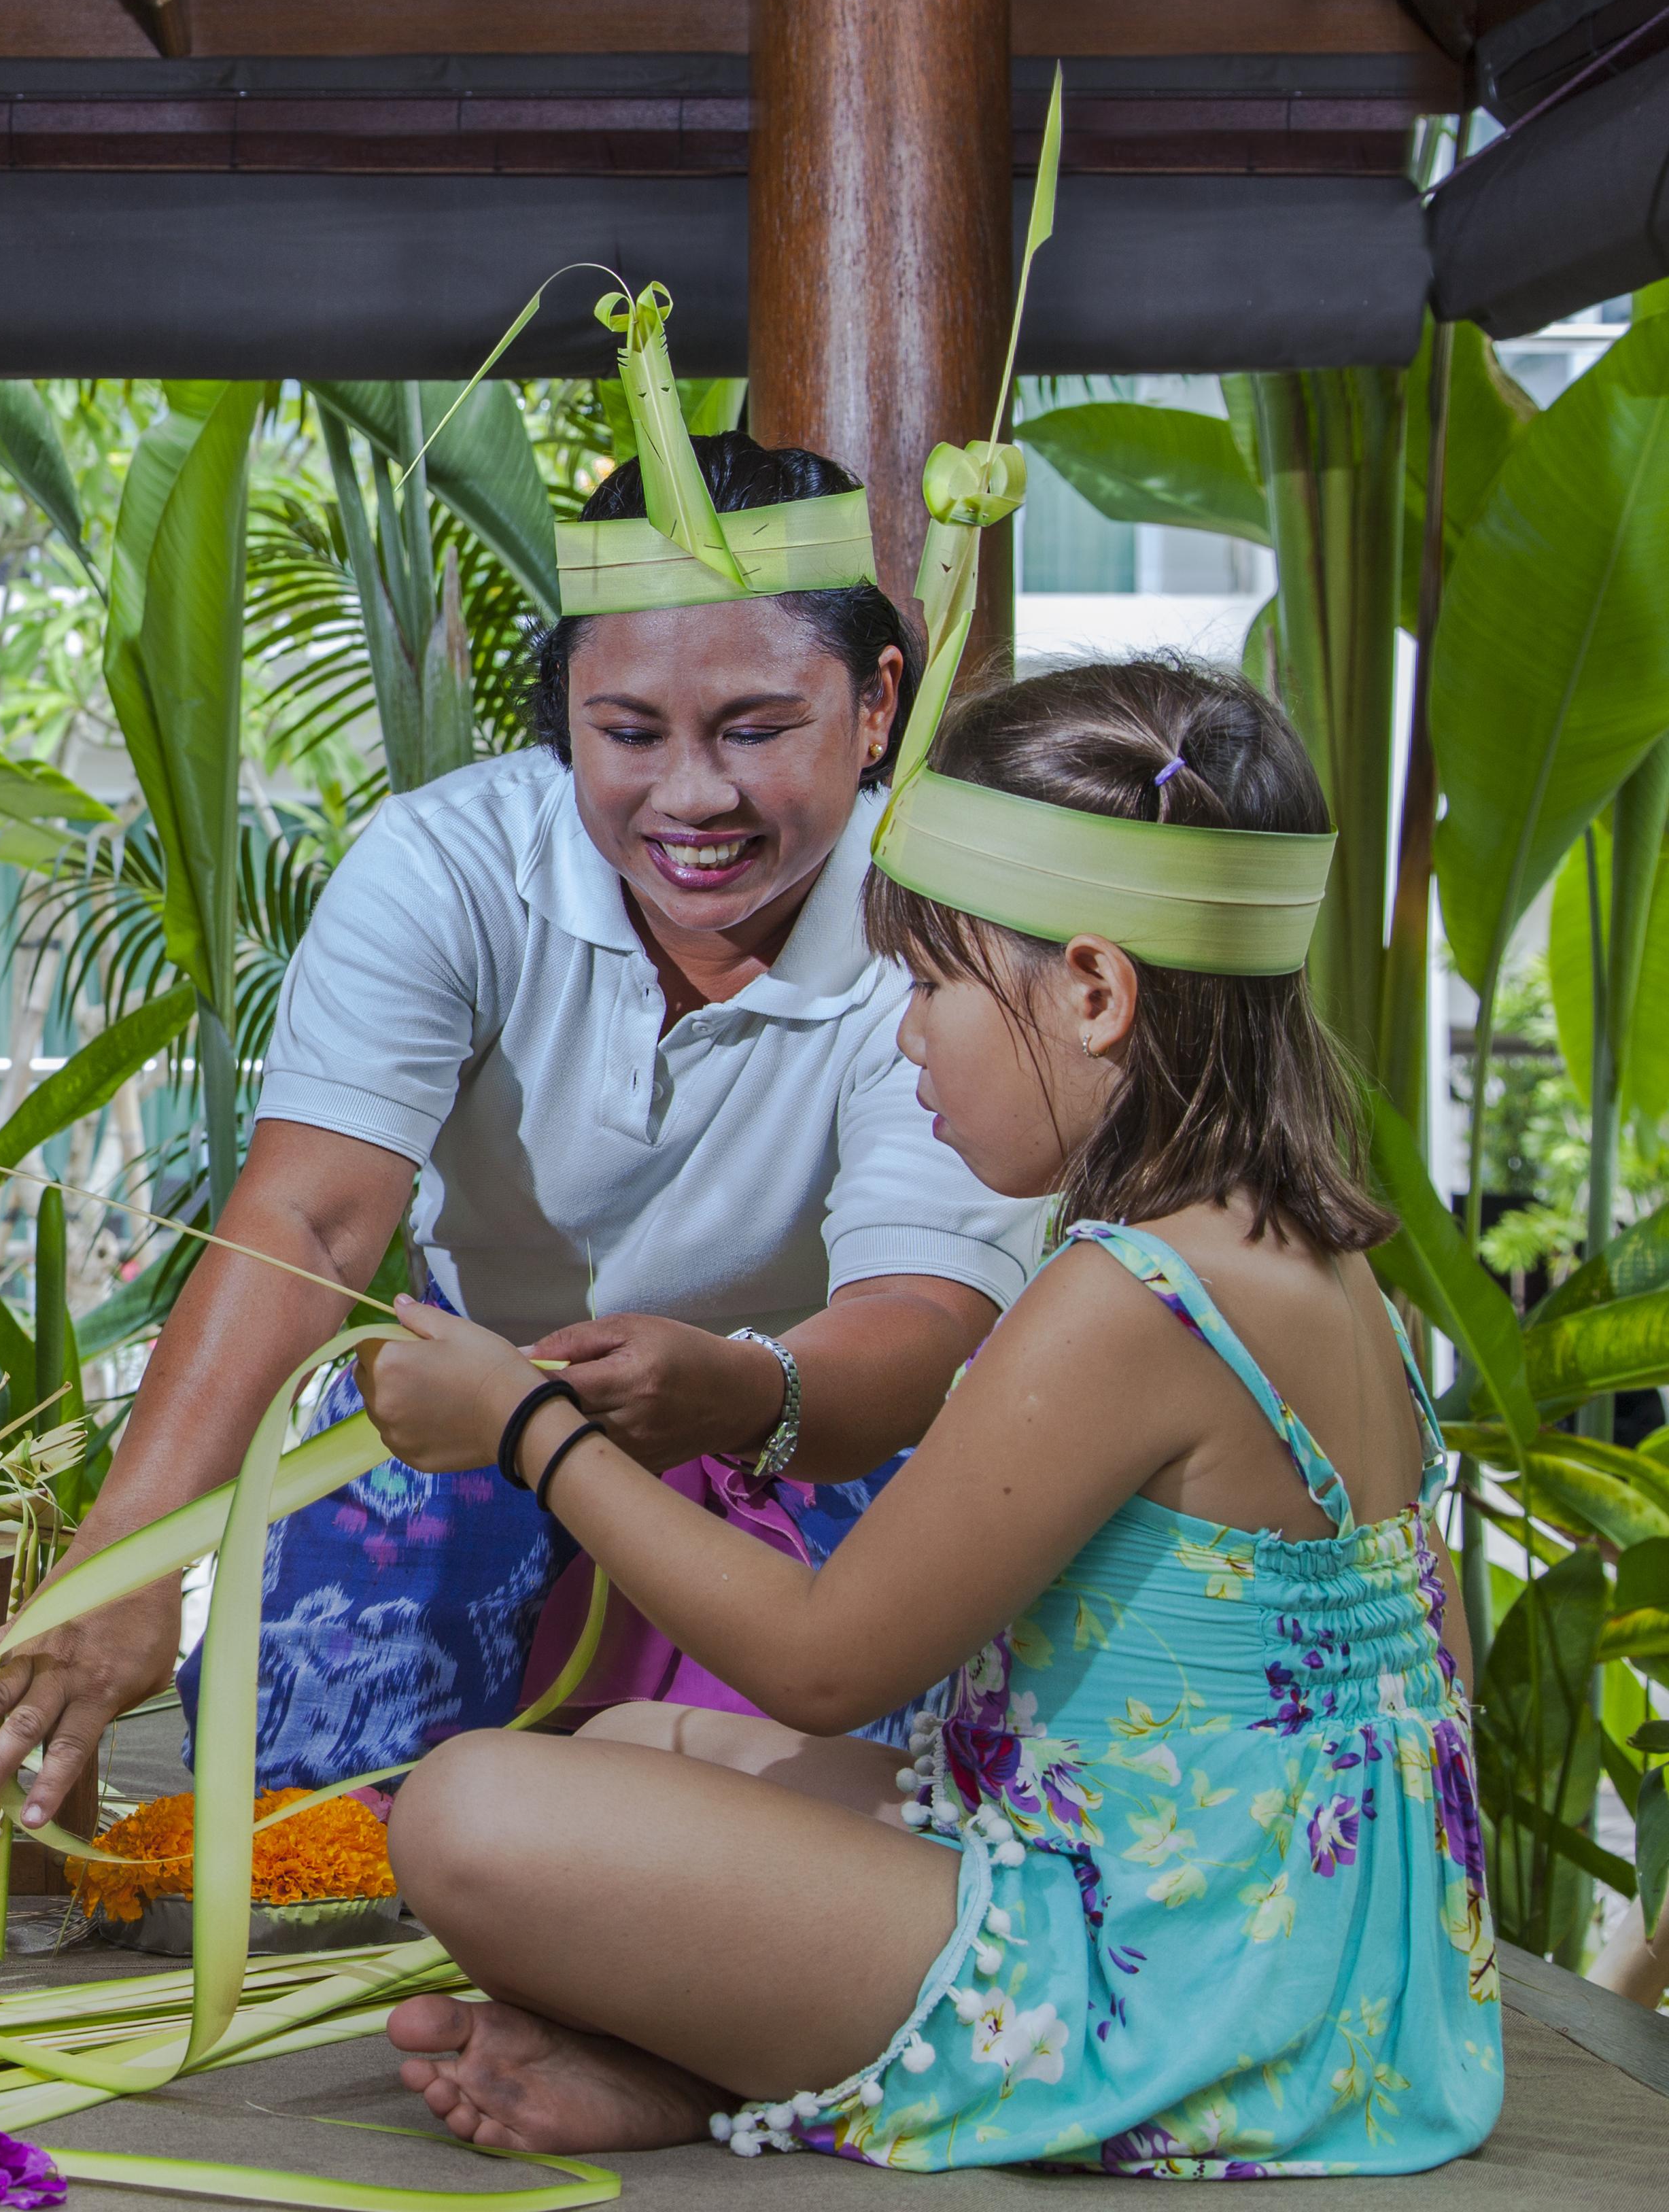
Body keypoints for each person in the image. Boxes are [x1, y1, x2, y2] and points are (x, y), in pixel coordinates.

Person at [364, 657, 1499, 2175]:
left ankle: (736, 2077)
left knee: (468, 1812)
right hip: (1301, 1950)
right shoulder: (1311, 1257)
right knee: (646, 1740)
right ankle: (718, 2070)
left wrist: (529, 1432)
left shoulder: (1129, 1301)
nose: (906, 1040)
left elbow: (826, 1663)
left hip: (1186, 2004)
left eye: (933, 986)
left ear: (1094, 991)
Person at [0, 329, 1045, 1827]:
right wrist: (134, 1556)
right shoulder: (447, 866)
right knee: (306, 1813)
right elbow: (316, 1224)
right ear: (563, 724)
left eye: (757, 729)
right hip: (476, 1396)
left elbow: (913, 1326)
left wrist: (731, 1387)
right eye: (629, 732)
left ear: (874, 706)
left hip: (800, 1419)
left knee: (832, 1822)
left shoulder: (943, 936)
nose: (692, 796)